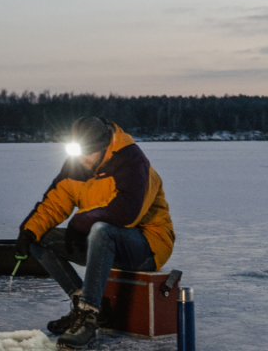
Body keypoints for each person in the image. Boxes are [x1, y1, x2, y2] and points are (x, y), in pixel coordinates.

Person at [14, 117, 174, 350]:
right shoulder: (77, 165)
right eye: (79, 153)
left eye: (87, 154)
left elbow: (127, 213)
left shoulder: (131, 161)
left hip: (147, 245)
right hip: (102, 240)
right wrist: (27, 233)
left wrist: (81, 221)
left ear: (104, 147)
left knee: (101, 229)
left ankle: (88, 317)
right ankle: (82, 304)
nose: (81, 159)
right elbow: (54, 203)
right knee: (41, 236)